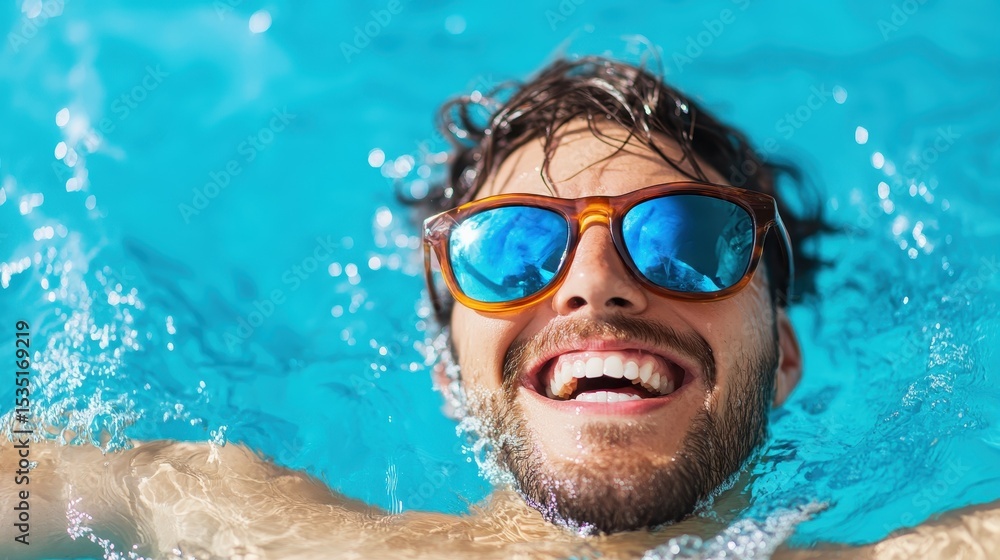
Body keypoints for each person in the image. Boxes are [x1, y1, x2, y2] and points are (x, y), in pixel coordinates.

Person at [2, 55, 997, 559]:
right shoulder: (268, 528)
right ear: (447, 369)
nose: (594, 280)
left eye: (687, 241)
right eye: (512, 250)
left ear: (781, 355)